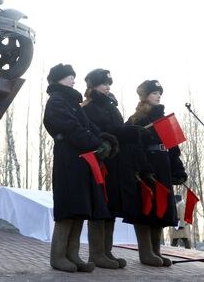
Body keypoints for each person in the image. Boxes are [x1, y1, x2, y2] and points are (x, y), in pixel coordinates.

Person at [43, 63, 117, 273]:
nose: (73, 80)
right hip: (68, 156)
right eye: (69, 77)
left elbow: (89, 126)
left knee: (79, 206)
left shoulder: (72, 102)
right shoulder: (56, 101)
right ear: (59, 79)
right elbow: (70, 127)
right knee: (67, 207)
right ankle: (58, 256)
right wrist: (96, 143)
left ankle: (73, 255)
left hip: (81, 158)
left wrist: (104, 139)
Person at [126, 80, 188, 267]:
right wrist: (143, 169)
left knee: (161, 209)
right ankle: (146, 253)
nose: (158, 95)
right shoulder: (136, 120)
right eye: (154, 93)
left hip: (163, 167)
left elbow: (173, 149)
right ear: (144, 96)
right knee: (146, 208)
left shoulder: (165, 120)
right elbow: (132, 148)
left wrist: (178, 170)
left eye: (159, 93)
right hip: (146, 169)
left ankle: (156, 251)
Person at [81, 69, 130, 269]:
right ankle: (96, 254)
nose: (108, 87)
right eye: (104, 83)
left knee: (111, 207)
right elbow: (93, 132)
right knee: (100, 206)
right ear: (93, 86)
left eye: (109, 83)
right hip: (100, 161)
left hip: (115, 162)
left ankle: (107, 251)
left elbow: (118, 129)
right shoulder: (89, 108)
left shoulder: (112, 106)